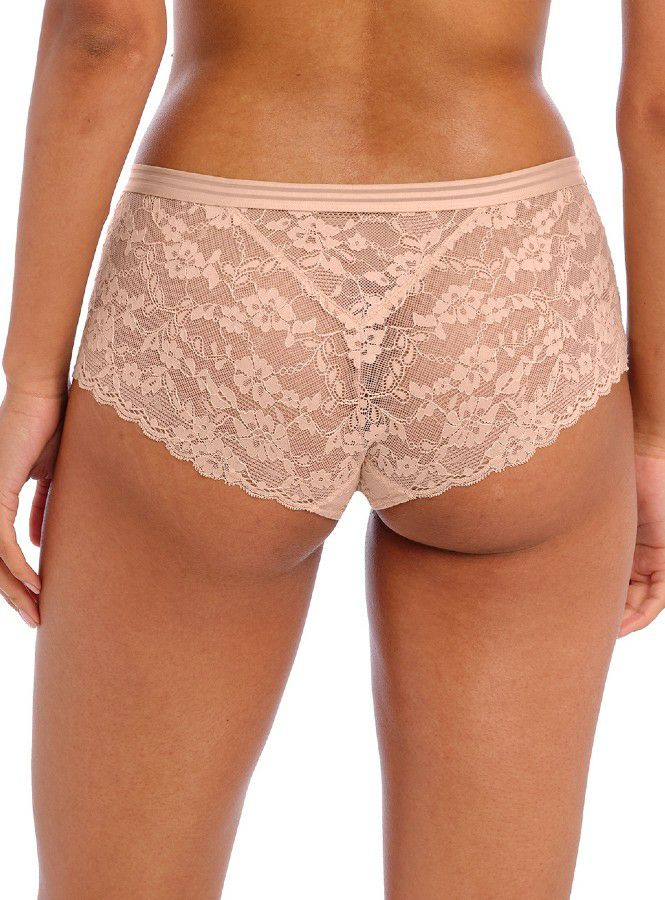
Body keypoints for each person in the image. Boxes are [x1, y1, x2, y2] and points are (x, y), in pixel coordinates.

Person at [0, 0, 663, 896]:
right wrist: (656, 433)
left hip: (217, 266)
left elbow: (104, 35)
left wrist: (31, 383)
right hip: (507, 272)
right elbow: (659, 105)